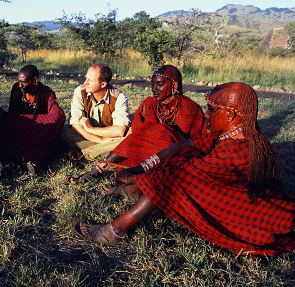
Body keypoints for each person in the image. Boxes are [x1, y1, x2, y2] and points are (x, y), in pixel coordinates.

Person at [75, 82, 295, 256]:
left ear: (229, 115)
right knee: (181, 156)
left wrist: (142, 175)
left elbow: (185, 173)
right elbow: (186, 143)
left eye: (211, 110)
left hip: (245, 218)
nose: (206, 114)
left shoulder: (239, 150)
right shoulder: (233, 134)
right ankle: (137, 190)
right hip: (205, 181)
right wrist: (143, 167)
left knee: (173, 176)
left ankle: (116, 230)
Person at [70, 65, 206, 186]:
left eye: (159, 84)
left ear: (174, 86)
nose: (154, 89)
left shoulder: (190, 108)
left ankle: (102, 168)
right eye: (152, 84)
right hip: (146, 152)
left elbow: (195, 143)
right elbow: (140, 133)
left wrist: (162, 135)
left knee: (155, 133)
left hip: (175, 157)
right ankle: (103, 167)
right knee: (66, 131)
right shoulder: (150, 103)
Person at [0, 65, 66, 174]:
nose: (20, 85)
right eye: (19, 82)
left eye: (24, 82)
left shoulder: (47, 92)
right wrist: (24, 122)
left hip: (39, 133)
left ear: (35, 80)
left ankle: (28, 162)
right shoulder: (17, 89)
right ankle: (21, 162)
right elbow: (12, 114)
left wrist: (32, 123)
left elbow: (57, 115)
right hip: (20, 131)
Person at [61, 63, 130, 162]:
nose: (85, 83)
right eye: (86, 78)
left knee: (130, 135)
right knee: (65, 132)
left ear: (103, 84)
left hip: (107, 135)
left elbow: (120, 131)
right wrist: (101, 140)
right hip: (95, 137)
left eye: (90, 80)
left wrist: (91, 129)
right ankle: (106, 148)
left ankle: (85, 153)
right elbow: (75, 125)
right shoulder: (80, 92)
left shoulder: (119, 98)